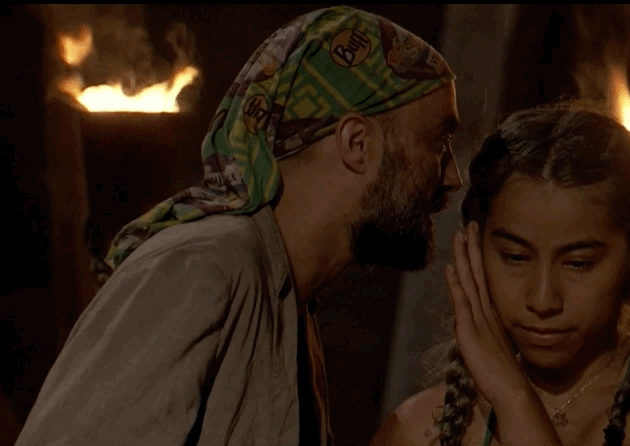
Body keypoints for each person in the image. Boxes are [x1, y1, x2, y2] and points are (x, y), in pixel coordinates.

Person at [16, 6, 461, 446]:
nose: (453, 177)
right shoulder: (205, 268)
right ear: (356, 143)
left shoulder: (289, 302)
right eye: (438, 143)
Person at [370, 104, 630, 446]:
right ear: (472, 250)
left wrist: (512, 394)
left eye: (578, 264)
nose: (542, 300)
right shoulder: (420, 430)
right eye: (515, 258)